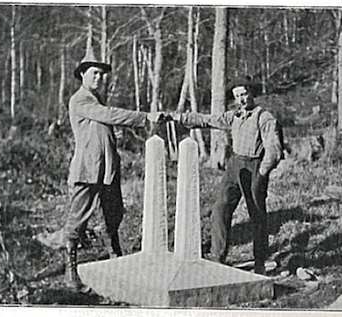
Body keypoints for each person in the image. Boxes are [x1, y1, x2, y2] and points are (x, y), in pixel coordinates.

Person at [64, 48, 163, 292]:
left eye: (101, 74)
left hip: (108, 170)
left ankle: (115, 258)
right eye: (94, 73)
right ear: (83, 75)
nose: (98, 78)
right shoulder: (81, 100)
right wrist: (144, 117)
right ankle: (70, 271)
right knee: (77, 221)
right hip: (87, 170)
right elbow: (109, 115)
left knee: (114, 214)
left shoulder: (97, 100)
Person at [170, 78, 284, 274]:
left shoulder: (264, 117)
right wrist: (177, 118)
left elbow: (274, 149)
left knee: (257, 215)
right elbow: (207, 119)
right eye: (237, 95)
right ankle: (217, 257)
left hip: (254, 166)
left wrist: (263, 173)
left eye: (244, 94)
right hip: (235, 166)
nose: (242, 98)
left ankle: (260, 262)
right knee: (220, 208)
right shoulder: (235, 116)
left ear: (251, 93)